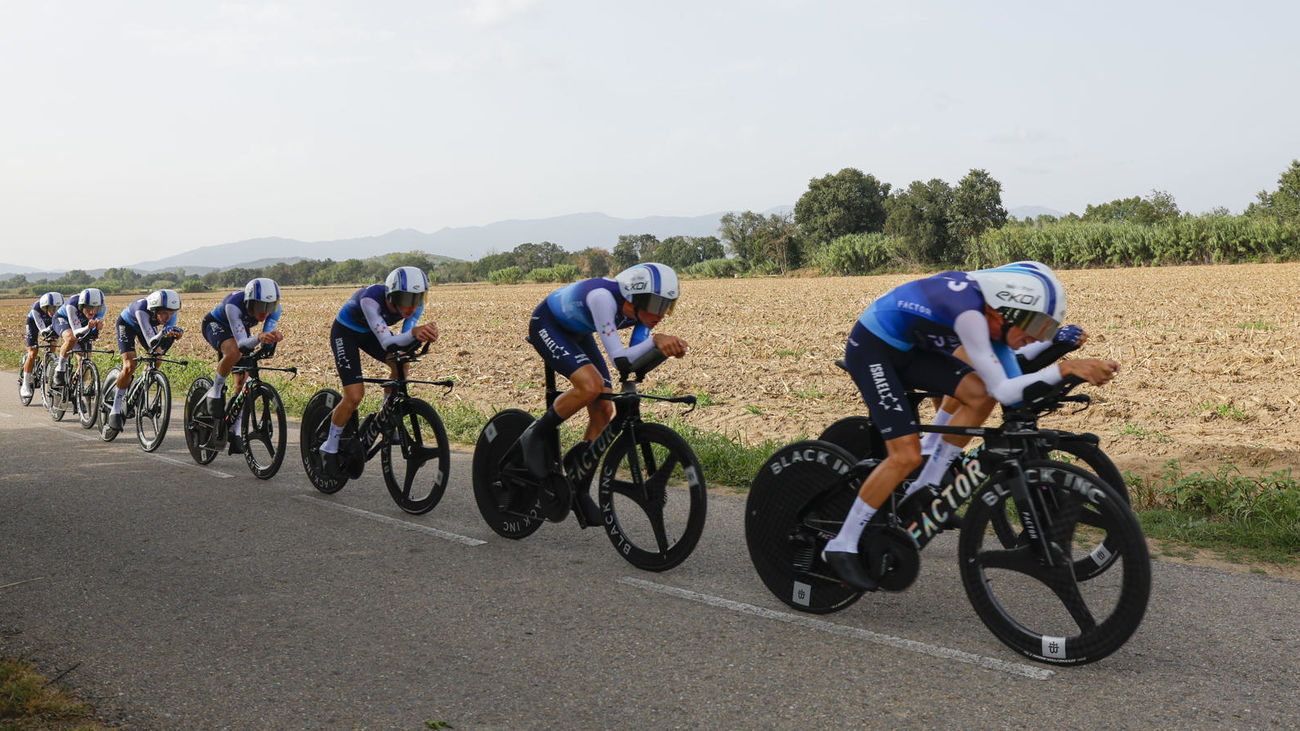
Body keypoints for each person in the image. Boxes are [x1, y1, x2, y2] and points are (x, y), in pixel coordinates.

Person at [822, 262, 1120, 591]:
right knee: (904, 456)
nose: (1035, 335)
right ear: (1004, 311)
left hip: (912, 349)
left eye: (1044, 327)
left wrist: (1060, 350)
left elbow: (1010, 390)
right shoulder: (972, 317)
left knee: (979, 396)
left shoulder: (996, 321)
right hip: (874, 348)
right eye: (1033, 325)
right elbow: (1006, 388)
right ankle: (842, 543)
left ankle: (928, 485)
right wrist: (1067, 368)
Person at [516, 262, 688, 525]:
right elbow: (620, 358)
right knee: (590, 386)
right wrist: (656, 342)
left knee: (604, 408)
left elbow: (633, 361)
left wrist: (662, 350)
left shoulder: (643, 313)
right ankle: (535, 434)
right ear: (635, 297)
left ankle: (578, 488)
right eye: (657, 305)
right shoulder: (602, 299)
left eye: (667, 306)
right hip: (548, 323)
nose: (661, 314)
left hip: (578, 332)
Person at [318, 266, 439, 476]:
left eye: (417, 298)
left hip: (369, 333)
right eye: (406, 299)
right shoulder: (370, 300)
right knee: (355, 395)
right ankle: (329, 446)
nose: (412, 306)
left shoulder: (414, 307)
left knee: (401, 363)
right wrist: (414, 333)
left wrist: (420, 337)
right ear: (392, 295)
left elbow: (403, 340)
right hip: (345, 333)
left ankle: (386, 414)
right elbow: (386, 341)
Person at [200, 278, 284, 452]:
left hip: (240, 328)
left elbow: (263, 338)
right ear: (250, 303)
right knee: (233, 352)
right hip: (217, 325)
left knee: (243, 385)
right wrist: (259, 338)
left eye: (270, 307)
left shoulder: (274, 311)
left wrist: (270, 339)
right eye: (261, 307)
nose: (266, 313)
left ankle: (234, 430)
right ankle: (215, 391)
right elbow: (242, 344)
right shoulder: (234, 306)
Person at [107, 289, 184, 434]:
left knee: (158, 357)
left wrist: (173, 336)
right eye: (165, 313)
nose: (169, 317)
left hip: (147, 327)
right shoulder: (141, 309)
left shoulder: (170, 315)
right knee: (130, 365)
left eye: (172, 312)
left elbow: (160, 346)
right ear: (154, 310)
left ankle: (141, 383)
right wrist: (164, 334)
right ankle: (115, 409)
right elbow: (151, 341)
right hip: (127, 325)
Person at [51, 288, 106, 389]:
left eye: (96, 308)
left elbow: (92, 332)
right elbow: (76, 333)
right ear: (82, 305)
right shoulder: (72, 304)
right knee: (71, 338)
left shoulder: (102, 308)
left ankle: (79, 389)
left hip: (82, 323)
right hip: (63, 319)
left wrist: (96, 328)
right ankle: (60, 368)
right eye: (89, 307)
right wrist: (88, 327)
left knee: (85, 358)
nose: (93, 311)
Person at [19, 292, 63, 401]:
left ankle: (45, 365)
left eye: (58, 308)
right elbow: (41, 328)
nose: (55, 311)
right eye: (52, 309)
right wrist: (45, 333)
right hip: (34, 323)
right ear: (45, 307)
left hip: (51, 323)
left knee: (53, 345)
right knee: (33, 352)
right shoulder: (36, 308)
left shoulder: (61, 309)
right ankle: (25, 383)